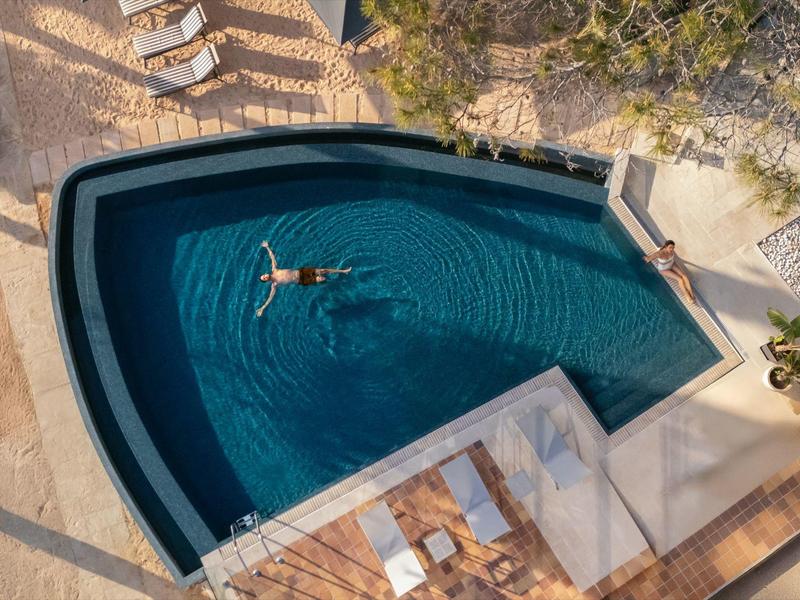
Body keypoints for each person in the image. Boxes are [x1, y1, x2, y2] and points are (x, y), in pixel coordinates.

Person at [256, 241, 351, 317]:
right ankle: (334, 283)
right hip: (301, 281)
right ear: (266, 281)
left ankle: (343, 271)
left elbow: (272, 258)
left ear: (265, 274)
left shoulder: (275, 270)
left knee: (323, 270)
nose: (265, 276)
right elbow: (270, 298)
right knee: (321, 279)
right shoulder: (275, 284)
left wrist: (267, 247)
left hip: (302, 272)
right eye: (264, 279)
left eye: (263, 276)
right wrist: (262, 308)